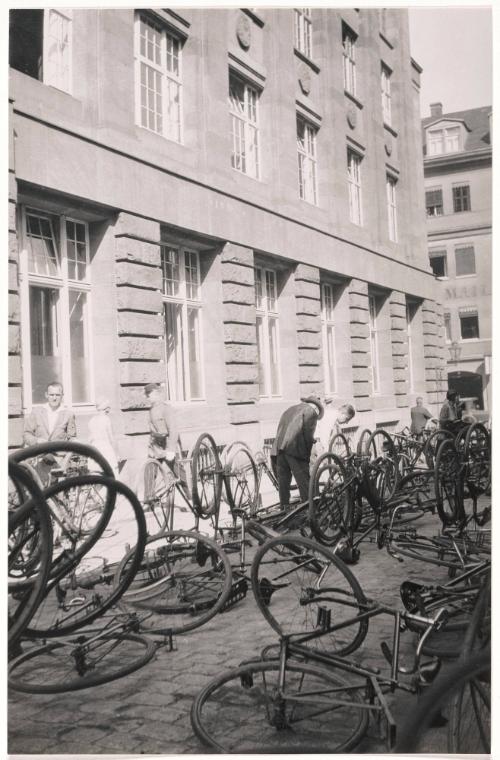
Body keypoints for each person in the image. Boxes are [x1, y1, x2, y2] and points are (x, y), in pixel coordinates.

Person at [271, 395, 324, 508]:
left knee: (283, 483)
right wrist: (307, 456)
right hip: (295, 450)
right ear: (316, 408)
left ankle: (284, 507)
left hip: (279, 449)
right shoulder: (310, 412)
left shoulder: (289, 409)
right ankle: (308, 510)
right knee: (304, 482)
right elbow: (308, 435)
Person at [23, 381, 77, 446]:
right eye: (51, 395)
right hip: (40, 453)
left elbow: (71, 438)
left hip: (59, 454)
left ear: (62, 396)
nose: (54, 398)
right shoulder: (36, 412)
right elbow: (26, 434)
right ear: (46, 395)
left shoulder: (68, 414)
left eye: (57, 395)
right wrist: (37, 441)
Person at [87, 399, 121, 475]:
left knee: (96, 475)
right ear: (107, 409)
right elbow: (112, 439)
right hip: (106, 449)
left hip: (95, 449)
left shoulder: (92, 420)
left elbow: (90, 439)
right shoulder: (106, 419)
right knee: (114, 474)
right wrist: (117, 454)